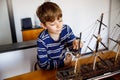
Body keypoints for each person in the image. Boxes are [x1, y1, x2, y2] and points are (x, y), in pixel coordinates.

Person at [36, 1, 82, 70]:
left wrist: (77, 46)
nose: (59, 26)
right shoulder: (42, 40)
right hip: (48, 69)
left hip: (63, 64)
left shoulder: (66, 29)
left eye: (60, 21)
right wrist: (63, 63)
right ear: (44, 26)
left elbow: (74, 52)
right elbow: (44, 65)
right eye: (52, 24)